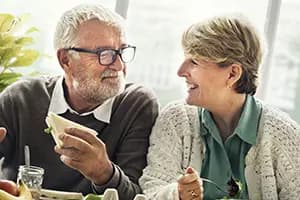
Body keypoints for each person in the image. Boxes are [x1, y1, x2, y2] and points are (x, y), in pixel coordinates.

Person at [0, 4, 159, 200]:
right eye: (105, 54)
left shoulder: (135, 105)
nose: (119, 65)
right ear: (66, 59)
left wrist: (104, 173)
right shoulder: (20, 99)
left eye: (122, 51)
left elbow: (138, 197)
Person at [139, 15, 300, 200]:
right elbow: (150, 192)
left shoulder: (287, 137)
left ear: (232, 74)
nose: (181, 71)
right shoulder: (176, 120)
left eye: (194, 62)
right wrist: (177, 195)